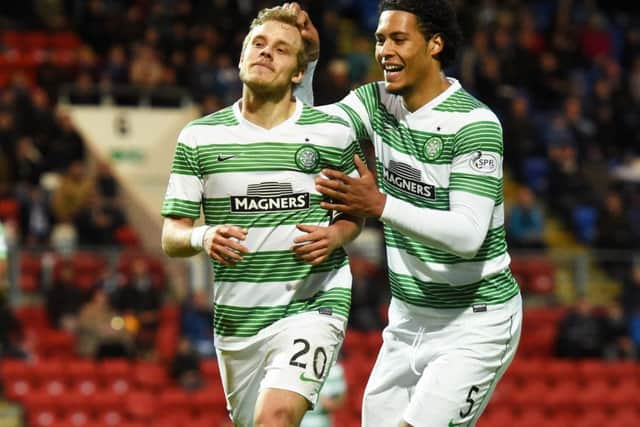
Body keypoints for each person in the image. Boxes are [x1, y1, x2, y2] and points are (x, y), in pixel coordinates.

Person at [293, 1, 522, 425]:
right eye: (380, 39)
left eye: (399, 39)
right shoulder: (376, 101)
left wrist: (380, 205)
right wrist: (306, 64)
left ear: (435, 44)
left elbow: (468, 235)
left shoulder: (475, 124)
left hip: (475, 322)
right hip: (406, 320)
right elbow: (306, 131)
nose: (384, 51)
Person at [160, 5, 363, 427]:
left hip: (314, 300)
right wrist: (203, 236)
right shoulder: (199, 137)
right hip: (239, 317)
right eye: (258, 44)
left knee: (274, 418)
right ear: (240, 58)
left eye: (282, 49)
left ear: (297, 73)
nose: (266, 53)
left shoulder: (331, 134)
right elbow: (171, 236)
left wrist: (337, 237)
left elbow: (352, 216)